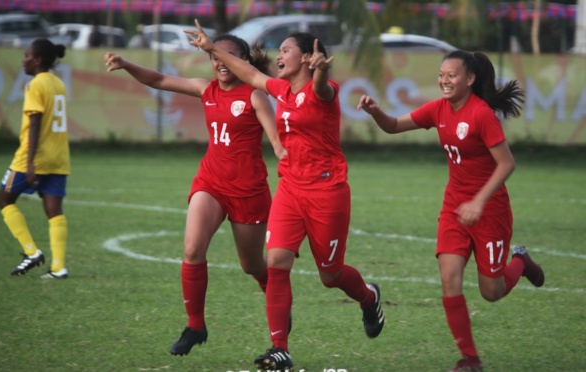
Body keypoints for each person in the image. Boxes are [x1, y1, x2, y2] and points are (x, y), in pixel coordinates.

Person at [188, 20, 385, 371]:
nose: (279, 55)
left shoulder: (324, 90)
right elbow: (248, 73)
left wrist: (320, 72)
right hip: (291, 190)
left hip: (327, 193)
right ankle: (280, 348)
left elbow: (321, 87)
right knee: (276, 264)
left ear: (308, 58)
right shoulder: (281, 91)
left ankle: (368, 298)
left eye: (286, 50)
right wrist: (211, 48)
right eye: (279, 51)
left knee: (331, 275)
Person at [357, 50, 545, 372]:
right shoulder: (439, 109)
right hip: (454, 209)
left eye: (451, 75)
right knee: (449, 279)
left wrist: (479, 201)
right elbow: (394, 126)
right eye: (441, 74)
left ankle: (520, 261)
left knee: (492, 291)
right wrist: (376, 112)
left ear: (469, 79)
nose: (444, 79)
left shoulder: (481, 114)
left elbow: (506, 163)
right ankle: (469, 359)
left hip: (490, 212)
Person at [104, 33, 285, 356]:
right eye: (215, 56)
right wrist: (126, 63)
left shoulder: (256, 95)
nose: (219, 62)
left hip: (249, 191)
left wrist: (289, 160)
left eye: (227, 56)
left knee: (252, 265)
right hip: (211, 182)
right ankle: (195, 326)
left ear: (242, 61)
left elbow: (276, 142)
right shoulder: (207, 88)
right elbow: (159, 79)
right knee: (191, 249)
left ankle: (277, 301)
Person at [0, 38, 70, 280]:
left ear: (37, 60)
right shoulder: (58, 83)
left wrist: (29, 163)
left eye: (27, 55)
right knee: (54, 210)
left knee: (4, 199)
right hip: (58, 157)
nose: (23, 60)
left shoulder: (35, 85)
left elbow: (36, 122)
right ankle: (59, 267)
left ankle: (31, 252)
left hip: (34, 156)